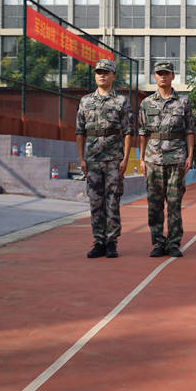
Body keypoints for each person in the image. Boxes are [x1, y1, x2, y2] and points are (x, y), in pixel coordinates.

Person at [76, 58, 133, 259]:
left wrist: (125, 159)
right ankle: (98, 241)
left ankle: (111, 241)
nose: (102, 75)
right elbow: (80, 132)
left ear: (113, 76)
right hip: (92, 159)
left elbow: (128, 132)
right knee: (95, 201)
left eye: (106, 72)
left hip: (113, 158)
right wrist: (81, 159)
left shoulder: (121, 101)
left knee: (112, 200)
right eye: (99, 72)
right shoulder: (85, 101)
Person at [138, 60, 196, 257]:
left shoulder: (183, 102)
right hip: (153, 159)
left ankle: (173, 243)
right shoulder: (146, 103)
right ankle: (157, 242)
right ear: (155, 77)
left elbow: (189, 130)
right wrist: (141, 158)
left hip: (176, 157)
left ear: (173, 76)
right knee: (154, 204)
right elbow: (143, 132)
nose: (163, 76)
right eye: (159, 73)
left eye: (166, 73)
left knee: (174, 203)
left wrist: (189, 155)